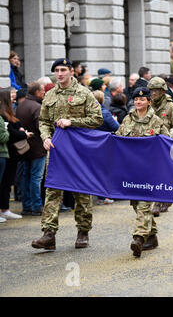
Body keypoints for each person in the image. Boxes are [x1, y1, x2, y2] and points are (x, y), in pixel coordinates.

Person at [31, 58, 103, 251]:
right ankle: (48, 234)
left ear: (72, 72)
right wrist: (45, 137)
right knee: (52, 189)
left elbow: (97, 118)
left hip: (79, 151)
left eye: (63, 69)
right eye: (57, 70)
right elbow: (44, 121)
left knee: (81, 190)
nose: (60, 73)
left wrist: (73, 121)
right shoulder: (50, 95)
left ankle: (83, 231)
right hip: (56, 150)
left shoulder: (84, 93)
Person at [115, 87, 169, 257]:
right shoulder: (127, 120)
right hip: (131, 170)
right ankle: (152, 236)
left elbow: (167, 143)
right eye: (136, 100)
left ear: (149, 102)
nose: (138, 102)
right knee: (136, 204)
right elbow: (118, 139)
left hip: (149, 170)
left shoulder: (156, 122)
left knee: (144, 204)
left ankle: (138, 238)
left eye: (142, 99)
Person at [147, 77, 173, 218]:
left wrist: (168, 136)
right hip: (149, 144)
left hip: (165, 145)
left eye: (156, 90)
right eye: (151, 90)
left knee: (162, 173)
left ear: (163, 91)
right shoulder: (146, 105)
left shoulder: (171, 107)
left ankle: (159, 201)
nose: (153, 93)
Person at [15, 83, 47, 216]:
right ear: (37, 92)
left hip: (25, 147)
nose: (44, 93)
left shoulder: (21, 105)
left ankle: (27, 205)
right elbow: (41, 128)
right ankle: (36, 206)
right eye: (42, 91)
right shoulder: (37, 107)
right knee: (36, 177)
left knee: (26, 176)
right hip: (37, 147)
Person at [0, 88, 31, 221]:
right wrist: (23, 133)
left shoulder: (9, 112)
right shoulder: (2, 115)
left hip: (11, 153)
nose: (14, 98)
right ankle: (4, 209)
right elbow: (9, 134)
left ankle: (5, 209)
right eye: (11, 96)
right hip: (7, 151)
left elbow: (12, 129)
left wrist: (19, 130)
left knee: (7, 183)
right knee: (3, 183)